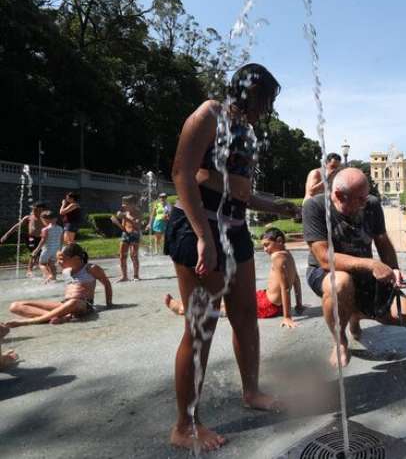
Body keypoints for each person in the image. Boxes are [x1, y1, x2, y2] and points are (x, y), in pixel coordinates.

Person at [164, 63, 298, 452]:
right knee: (201, 327)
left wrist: (276, 206)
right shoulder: (207, 115)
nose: (266, 109)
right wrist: (203, 236)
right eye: (263, 100)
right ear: (245, 91)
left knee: (245, 318)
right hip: (199, 227)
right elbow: (181, 173)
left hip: (235, 230)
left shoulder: (248, 133)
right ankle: (184, 425)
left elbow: (242, 193)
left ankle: (251, 391)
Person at [303, 167, 406, 368]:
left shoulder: (371, 204)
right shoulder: (315, 207)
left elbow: (382, 241)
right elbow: (324, 258)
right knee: (340, 283)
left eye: (366, 197)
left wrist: (394, 269)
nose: (366, 203)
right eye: (359, 199)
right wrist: (371, 264)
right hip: (326, 273)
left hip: (364, 273)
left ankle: (354, 313)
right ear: (338, 195)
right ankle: (340, 341)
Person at [164, 228, 305, 327]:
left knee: (228, 309)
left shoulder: (277, 259)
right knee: (230, 301)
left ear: (279, 241)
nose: (265, 249)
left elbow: (285, 287)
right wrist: (299, 304)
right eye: (263, 246)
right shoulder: (287, 255)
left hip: (268, 306)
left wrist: (287, 317)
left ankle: (185, 309)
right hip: (266, 299)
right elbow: (296, 280)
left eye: (267, 245)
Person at [5, 243, 113, 327]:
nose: (58, 262)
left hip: (83, 305)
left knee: (74, 302)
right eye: (57, 259)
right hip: (64, 305)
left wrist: (109, 304)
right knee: (15, 306)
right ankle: (63, 316)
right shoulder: (66, 271)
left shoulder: (91, 268)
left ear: (76, 258)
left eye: (61, 259)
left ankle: (30, 321)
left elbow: (107, 284)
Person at [1, 201, 47, 277]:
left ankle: (42, 268)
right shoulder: (28, 218)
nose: (36, 212)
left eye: (39, 210)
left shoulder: (45, 218)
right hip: (31, 238)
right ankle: (29, 270)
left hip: (42, 239)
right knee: (34, 253)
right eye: (34, 210)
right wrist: (7, 234)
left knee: (42, 254)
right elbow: (16, 226)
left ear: (43, 210)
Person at [112, 195, 142, 282]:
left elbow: (137, 225)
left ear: (132, 204)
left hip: (134, 235)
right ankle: (124, 276)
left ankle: (136, 276)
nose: (123, 205)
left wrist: (125, 217)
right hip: (125, 235)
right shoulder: (124, 213)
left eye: (125, 204)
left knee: (134, 255)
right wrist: (116, 222)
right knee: (122, 256)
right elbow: (123, 227)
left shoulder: (137, 212)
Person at [30, 210, 63, 283]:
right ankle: (54, 278)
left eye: (42, 220)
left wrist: (36, 250)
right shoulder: (60, 228)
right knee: (52, 264)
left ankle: (48, 275)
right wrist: (60, 250)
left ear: (45, 220)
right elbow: (61, 240)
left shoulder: (45, 229)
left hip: (47, 250)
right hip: (56, 250)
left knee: (42, 264)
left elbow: (43, 241)